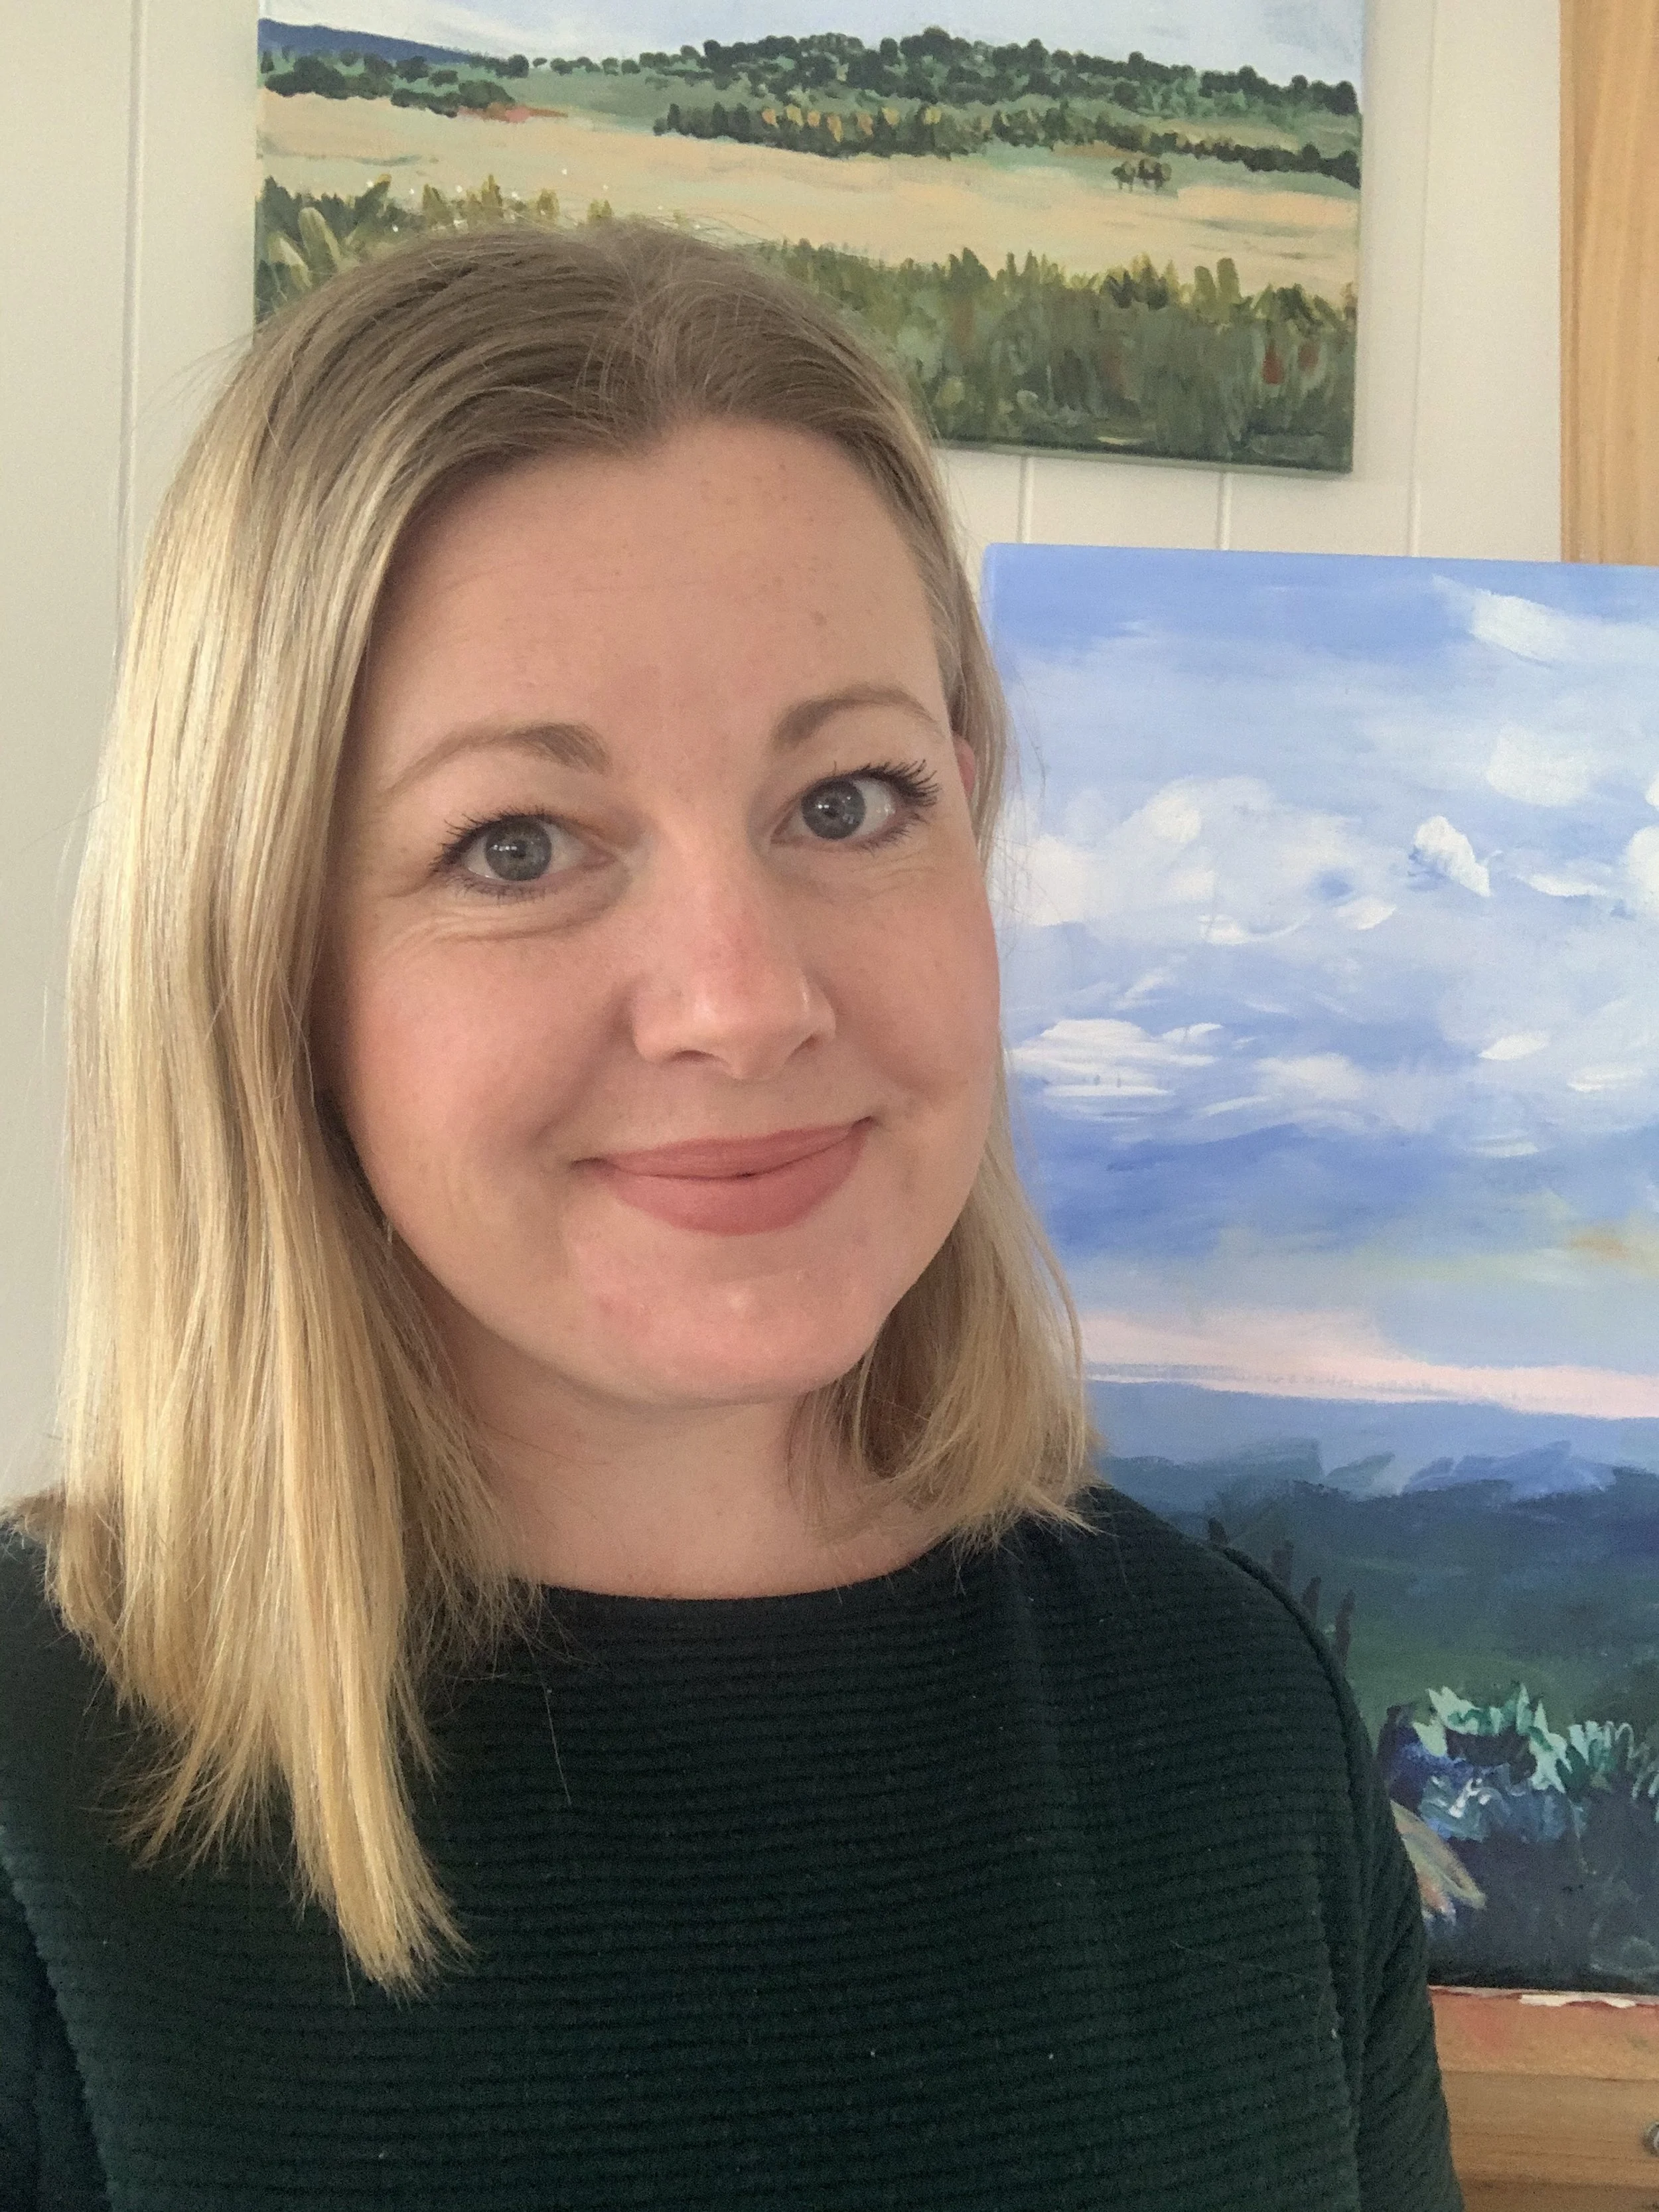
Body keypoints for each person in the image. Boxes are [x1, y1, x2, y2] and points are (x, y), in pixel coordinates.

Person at [0, 220, 1463, 2211]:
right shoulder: (32, 1811)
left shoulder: (1219, 1718)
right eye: (516, 843)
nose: (746, 995)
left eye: (847, 800)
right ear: (258, 961)